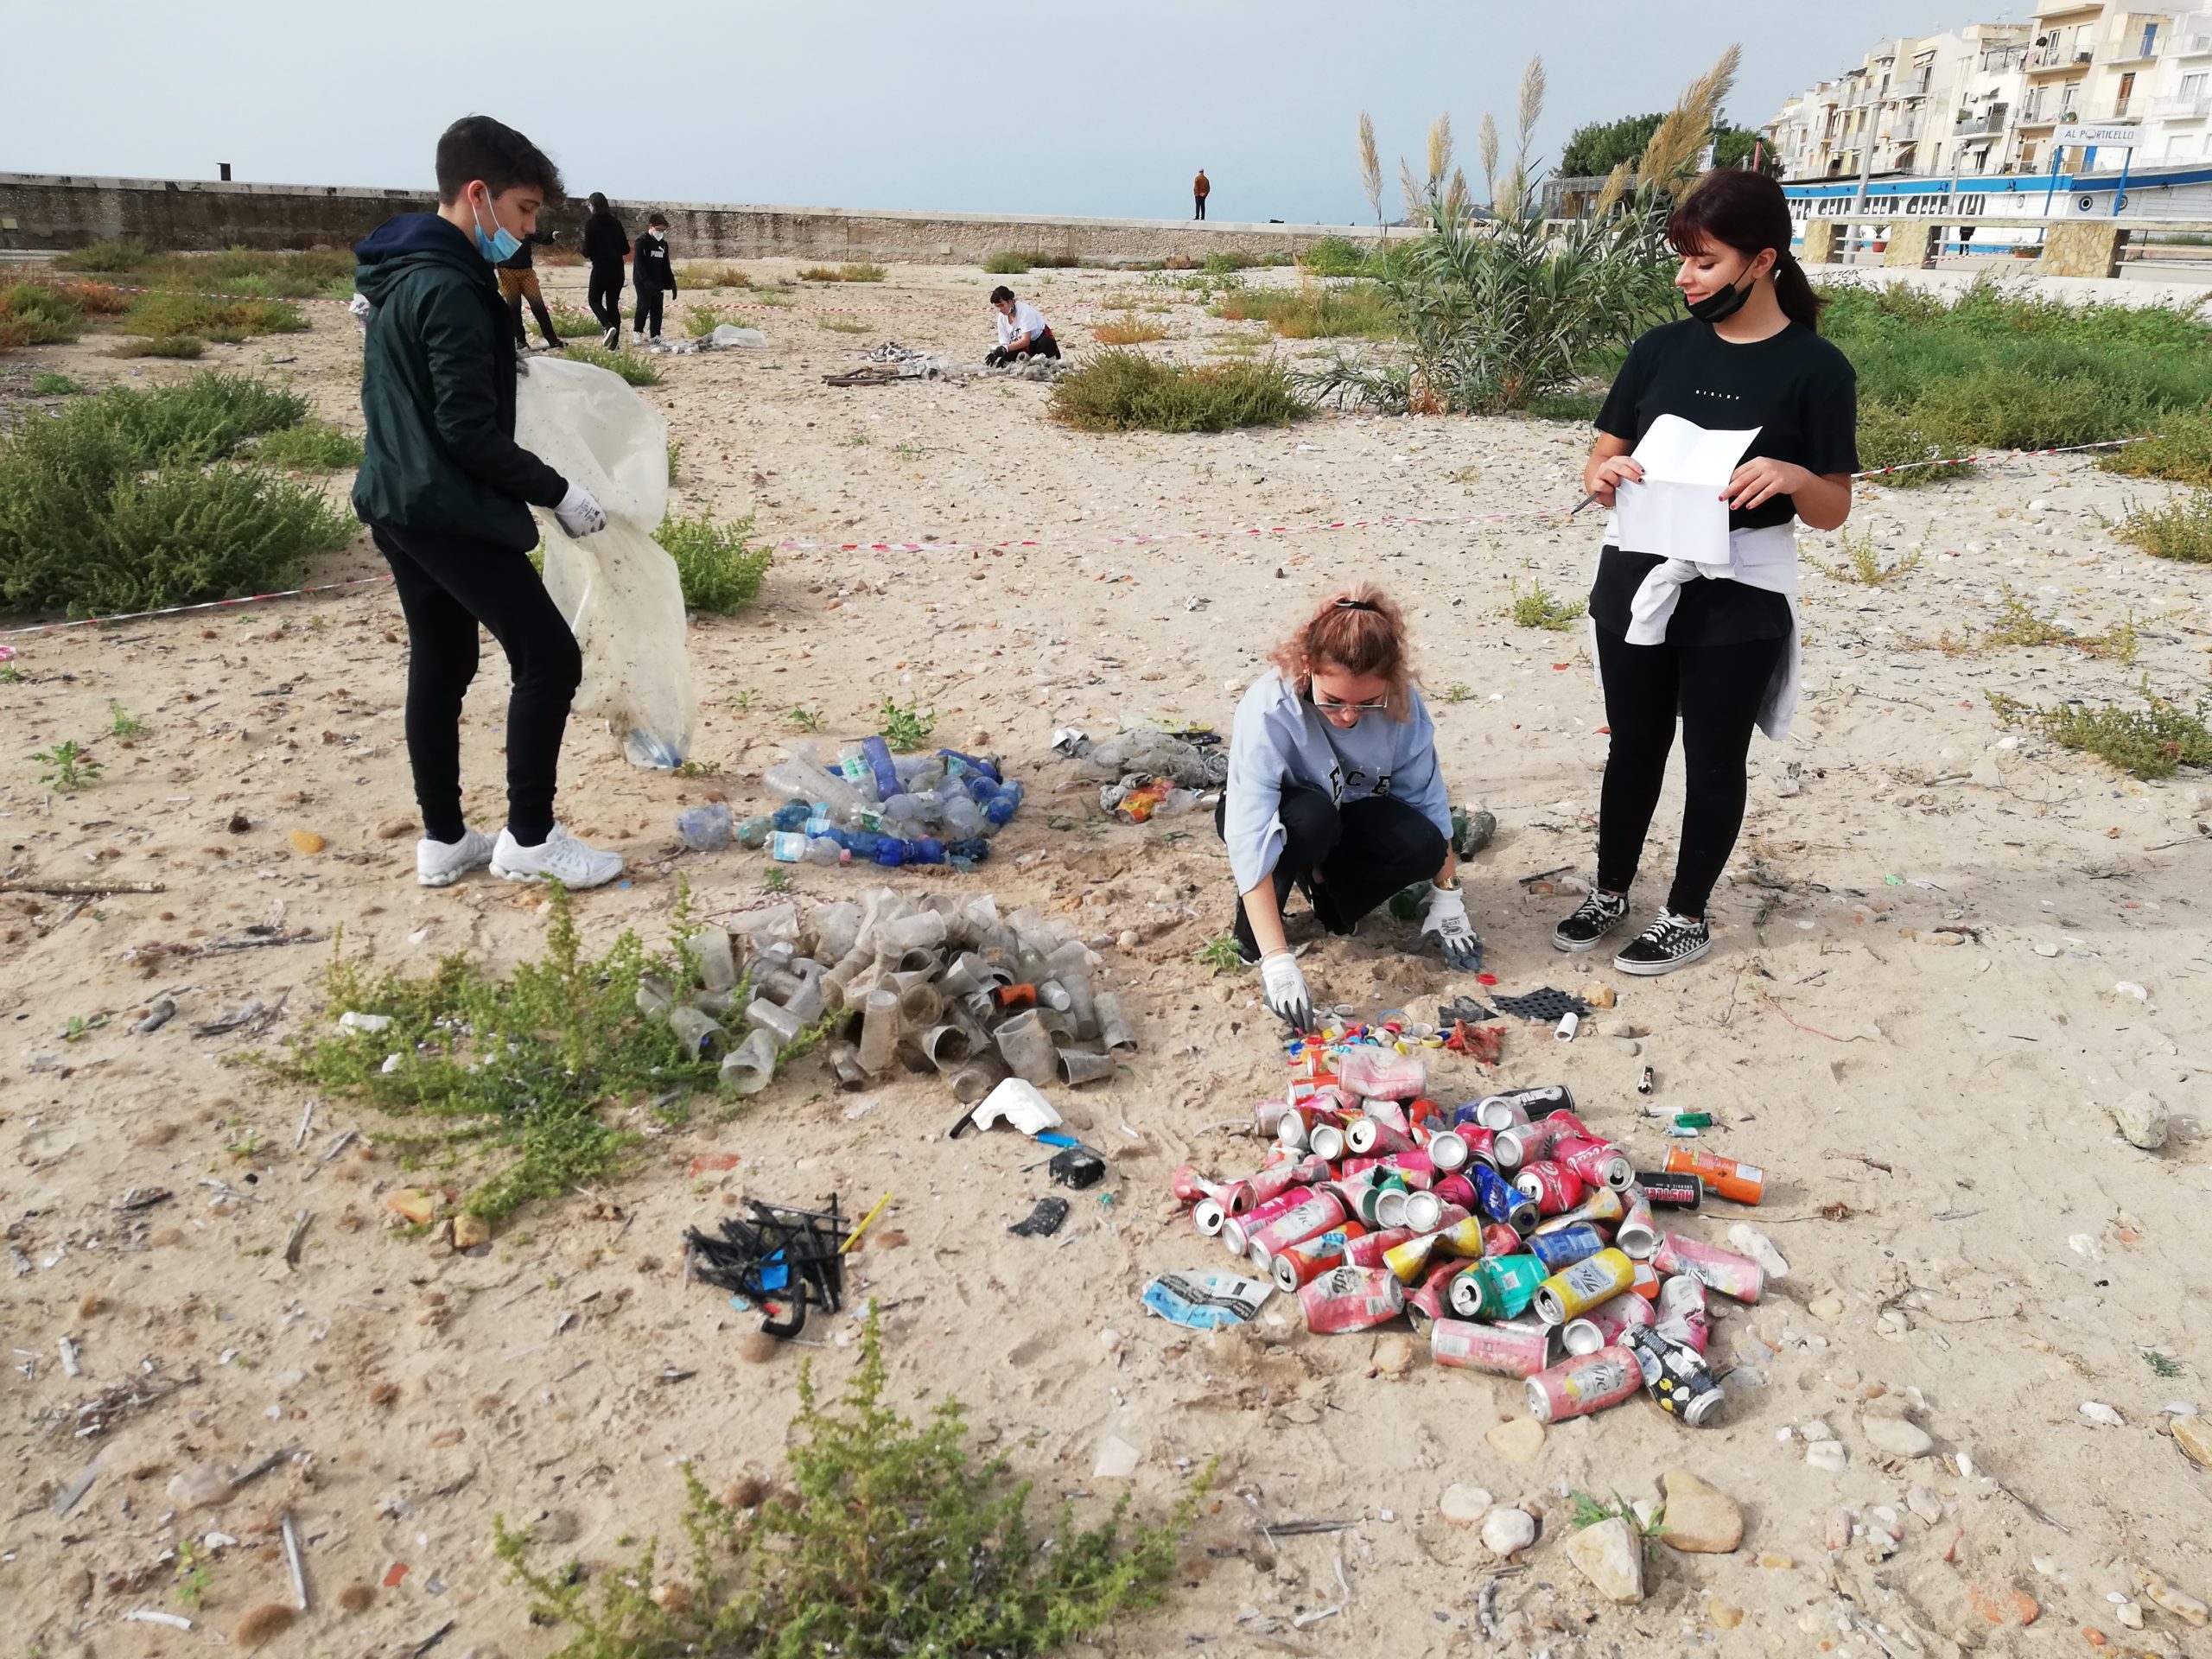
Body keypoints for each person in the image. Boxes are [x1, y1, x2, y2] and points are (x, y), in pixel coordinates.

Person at [1555, 168, 1856, 976]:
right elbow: (1601, 457)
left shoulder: (1818, 369)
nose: (1685, 279)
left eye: (1706, 262)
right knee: (1634, 745)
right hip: (1636, 576)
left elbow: (1832, 508)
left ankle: (1685, 914)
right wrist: (1603, 476)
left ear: (1763, 262)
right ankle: (1610, 891)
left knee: (1715, 758)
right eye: (1681, 260)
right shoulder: (1658, 350)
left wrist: (1794, 476)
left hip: (1740, 592)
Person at [352, 115, 626, 891]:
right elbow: (467, 432)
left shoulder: (402, 270)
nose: (530, 230)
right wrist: (559, 491)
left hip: (393, 495)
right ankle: (530, 838)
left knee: (444, 660)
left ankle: (444, 839)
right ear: (478, 195)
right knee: (548, 657)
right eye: (524, 210)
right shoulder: (452, 287)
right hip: (443, 504)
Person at [1218, 585, 1484, 1032]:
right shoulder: (1269, 710)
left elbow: (1429, 804)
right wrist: (1278, 960)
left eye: (1366, 704)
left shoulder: (1402, 705)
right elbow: (1251, 833)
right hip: (1288, 815)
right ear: (1307, 666)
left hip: (1351, 812)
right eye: (1333, 701)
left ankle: (1327, 893)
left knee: (1422, 844)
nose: (1347, 717)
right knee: (1311, 819)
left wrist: (1450, 898)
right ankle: (1256, 934)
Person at [494, 227, 563, 350]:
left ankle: (553, 340)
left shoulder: (523, 227)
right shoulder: (498, 227)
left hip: (526, 272)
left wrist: (552, 235)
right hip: (506, 271)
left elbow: (542, 238)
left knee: (538, 307)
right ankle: (520, 341)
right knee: (514, 309)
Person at [580, 191, 630, 349]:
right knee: (613, 304)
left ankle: (608, 326)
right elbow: (626, 249)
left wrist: (583, 248)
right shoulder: (616, 223)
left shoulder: (591, 224)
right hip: (618, 269)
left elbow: (587, 252)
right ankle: (614, 345)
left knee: (594, 300)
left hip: (601, 268)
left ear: (593, 206)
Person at [631, 212, 677, 343]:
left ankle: (655, 335)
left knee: (657, 308)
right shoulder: (642, 241)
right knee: (643, 305)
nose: (660, 232)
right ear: (651, 226)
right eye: (658, 229)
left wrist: (671, 282)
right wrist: (645, 280)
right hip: (642, 280)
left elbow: (665, 264)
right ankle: (638, 332)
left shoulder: (663, 244)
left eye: (663, 230)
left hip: (658, 280)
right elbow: (639, 263)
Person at [985, 285, 1058, 365]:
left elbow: (1026, 340)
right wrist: (998, 352)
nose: (1000, 310)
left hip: (1037, 341)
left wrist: (1005, 348)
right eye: (997, 306)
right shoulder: (1002, 318)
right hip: (1020, 345)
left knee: (1045, 344)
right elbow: (1005, 343)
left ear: (1010, 301)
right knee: (1003, 362)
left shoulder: (1025, 311)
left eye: (1002, 305)